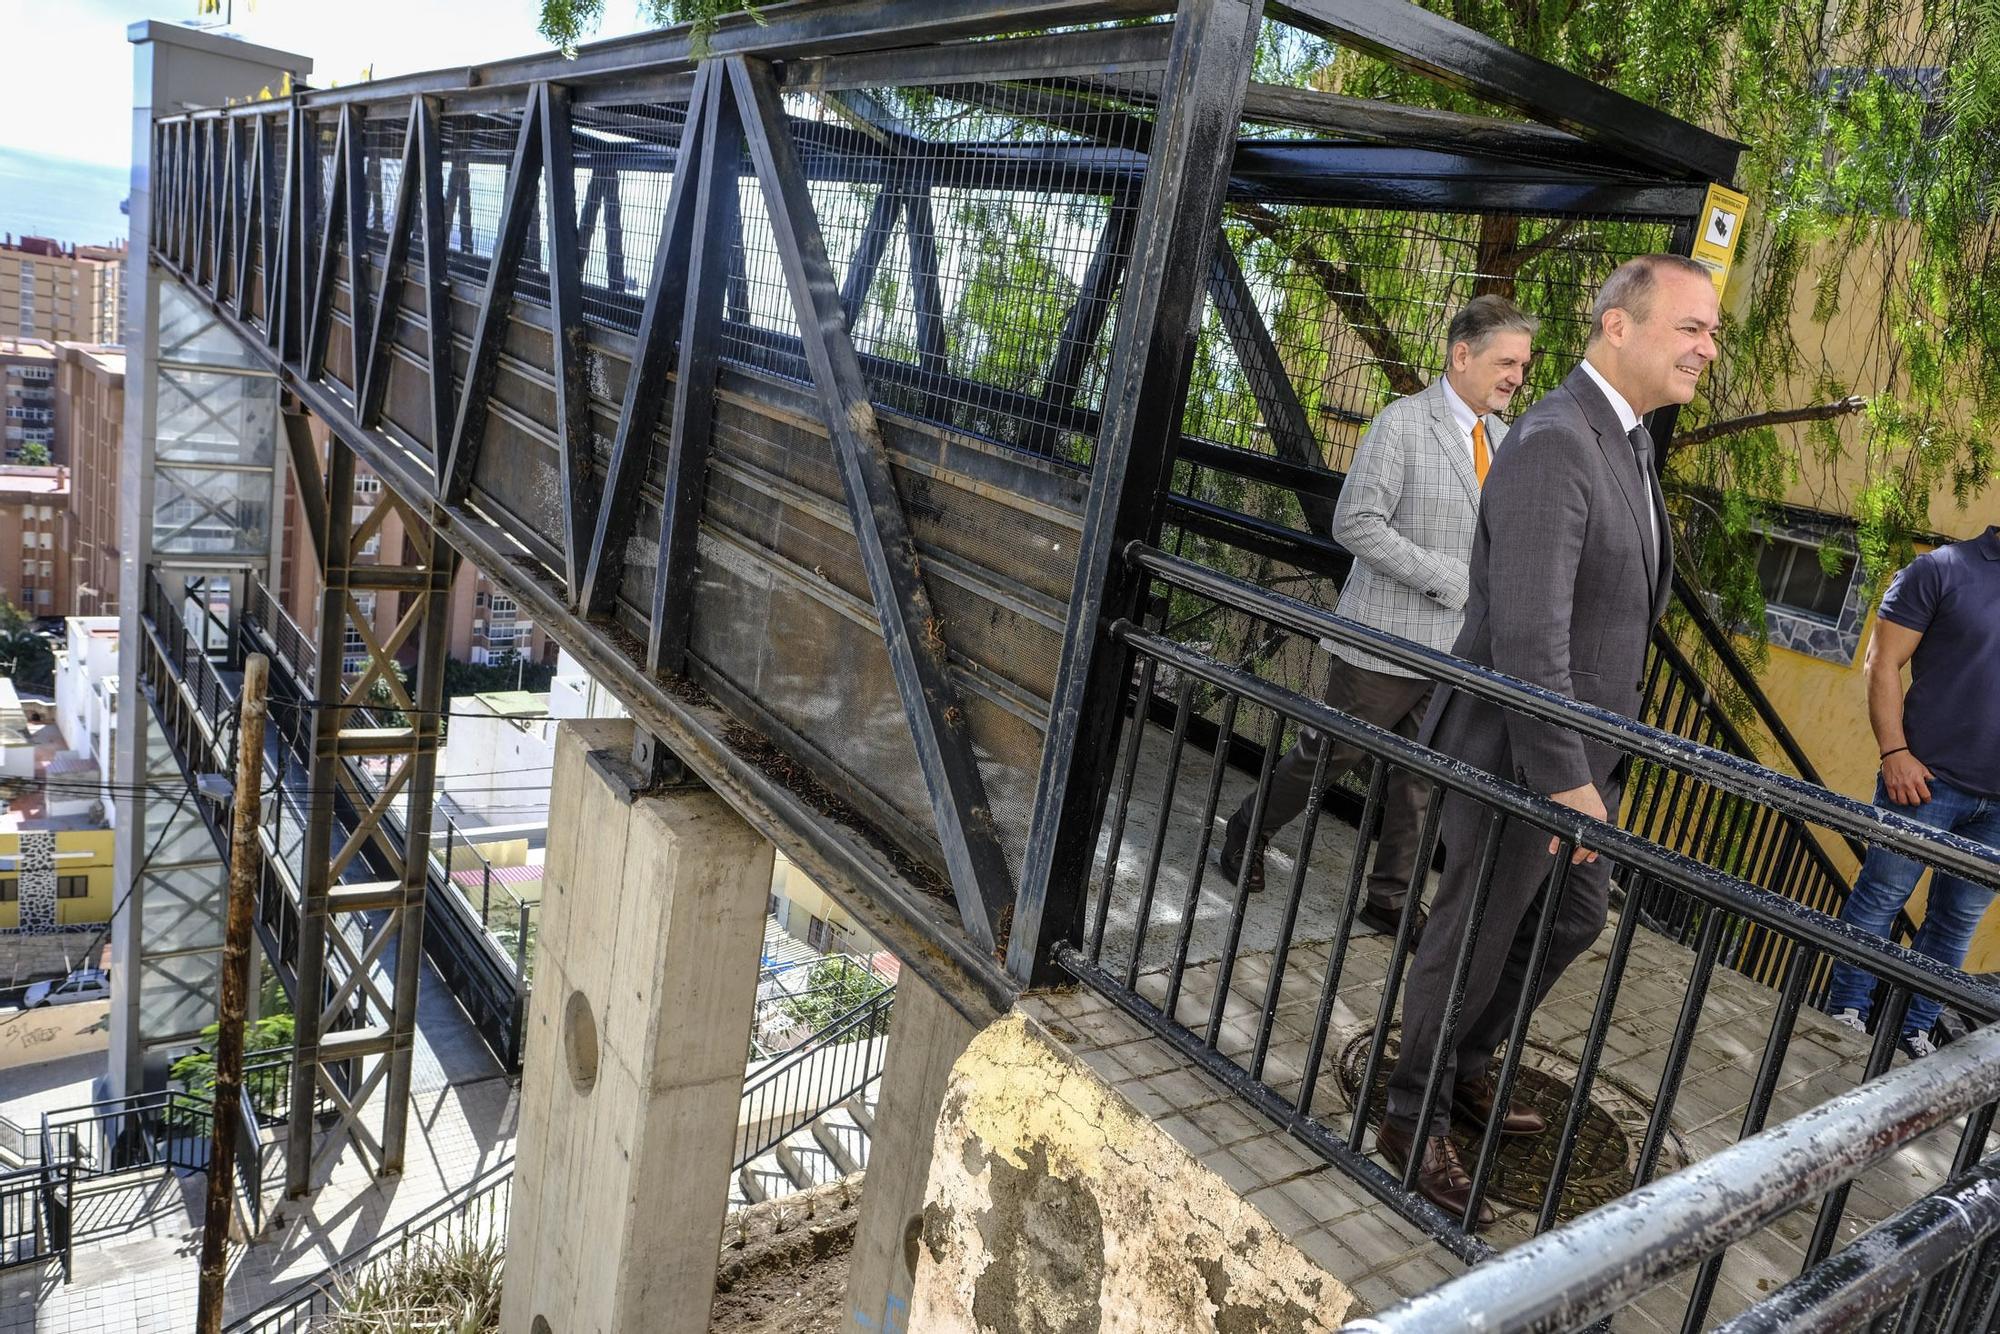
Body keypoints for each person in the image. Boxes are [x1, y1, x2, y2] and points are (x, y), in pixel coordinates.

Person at [1376, 254, 1719, 1226]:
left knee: (1571, 917)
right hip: (1512, 754)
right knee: (1474, 932)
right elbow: (1527, 634)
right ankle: (1408, 1109)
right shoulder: (1554, 440)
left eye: (1712, 332)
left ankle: (1467, 1063)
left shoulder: (1630, 443)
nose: (1706, 346)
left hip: (1572, 758)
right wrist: (1568, 779)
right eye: (1689, 326)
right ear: (1618, 325)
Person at [1217, 295, 1538, 941]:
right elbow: (1354, 523)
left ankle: (1389, 901)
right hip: (1381, 642)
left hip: (1453, 651)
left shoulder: (1504, 440)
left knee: (1418, 783)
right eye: (1507, 362)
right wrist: (1449, 578)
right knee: (1326, 756)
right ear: (1461, 354)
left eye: (1524, 367)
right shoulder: (1401, 424)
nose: (1516, 377)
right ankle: (1247, 831)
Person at [1824, 526, 2000, 1059]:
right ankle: (1846, 1015)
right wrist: (1894, 753)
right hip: (1924, 782)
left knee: (1956, 921)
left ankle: (1911, 1028)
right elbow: (1881, 663)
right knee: (1881, 896)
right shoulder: (1941, 570)